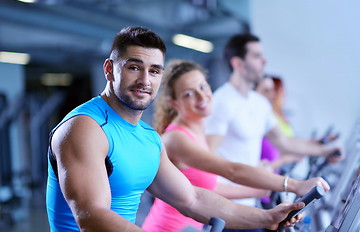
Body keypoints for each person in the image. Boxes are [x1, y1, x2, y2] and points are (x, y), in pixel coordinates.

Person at [46, 26, 306, 232]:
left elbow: (192, 199)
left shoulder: (148, 138)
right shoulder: (86, 128)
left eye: (155, 71)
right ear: (109, 69)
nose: (145, 80)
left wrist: (266, 217)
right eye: (134, 67)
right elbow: (92, 217)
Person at [141, 60, 329, 232]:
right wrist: (294, 186)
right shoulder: (176, 139)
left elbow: (209, 189)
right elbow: (231, 170)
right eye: (189, 94)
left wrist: (261, 190)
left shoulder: (201, 131)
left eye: (202, 86)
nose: (201, 96)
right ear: (174, 104)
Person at [205, 33, 343, 232]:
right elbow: (207, 162)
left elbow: (285, 142)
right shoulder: (222, 102)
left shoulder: (259, 103)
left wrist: (326, 150)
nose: (265, 60)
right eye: (257, 56)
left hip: (252, 205)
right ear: (238, 63)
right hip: (226, 210)